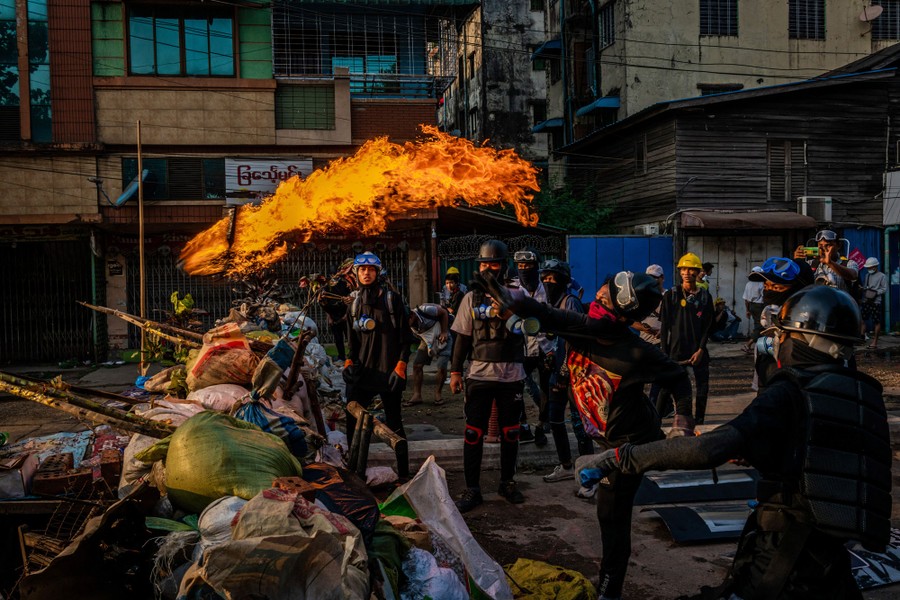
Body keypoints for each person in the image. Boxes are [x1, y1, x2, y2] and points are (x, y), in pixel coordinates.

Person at [584, 285, 891, 600]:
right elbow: (817, 457)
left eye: (781, 336)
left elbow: (706, 450)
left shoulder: (788, 393)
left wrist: (623, 456)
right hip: (833, 563)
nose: (776, 343)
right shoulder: (858, 396)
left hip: (784, 560)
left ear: (800, 341)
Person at [476, 269, 696, 600]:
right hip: (605, 438)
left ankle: (610, 589)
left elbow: (678, 376)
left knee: (612, 516)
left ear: (621, 314)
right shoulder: (583, 330)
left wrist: (683, 421)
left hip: (631, 443)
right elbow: (548, 314)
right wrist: (516, 303)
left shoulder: (636, 351)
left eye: (604, 300)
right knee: (606, 510)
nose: (595, 303)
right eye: (598, 296)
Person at [450, 239, 528, 512]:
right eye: (483, 263)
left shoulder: (518, 295)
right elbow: (461, 338)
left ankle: (507, 482)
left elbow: (529, 327)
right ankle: (472, 489)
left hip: (511, 375)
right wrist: (455, 371)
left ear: (503, 265)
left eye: (492, 263)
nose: (487, 269)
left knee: (510, 432)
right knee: (473, 433)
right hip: (479, 374)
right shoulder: (470, 298)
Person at [343, 251, 415, 480]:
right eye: (362, 270)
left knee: (395, 423)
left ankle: (403, 474)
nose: (366, 273)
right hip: (363, 374)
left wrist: (401, 366)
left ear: (377, 272)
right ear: (356, 274)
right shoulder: (353, 305)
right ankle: (353, 472)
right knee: (352, 422)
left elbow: (406, 338)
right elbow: (351, 341)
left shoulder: (392, 300)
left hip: (389, 372)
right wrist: (347, 362)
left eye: (371, 269)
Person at [538, 259, 595, 483]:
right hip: (558, 370)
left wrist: (563, 371)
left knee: (579, 421)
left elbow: (576, 341)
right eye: (545, 278)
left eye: (552, 278)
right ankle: (565, 465)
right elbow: (556, 338)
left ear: (563, 281)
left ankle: (589, 469)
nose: (547, 281)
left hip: (574, 373)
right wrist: (551, 356)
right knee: (555, 418)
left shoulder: (570, 302)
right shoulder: (553, 304)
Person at [659, 252, 714, 424]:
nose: (687, 272)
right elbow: (664, 327)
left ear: (698, 272)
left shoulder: (705, 297)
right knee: (666, 388)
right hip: (675, 350)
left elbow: (707, 327)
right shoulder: (672, 295)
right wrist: (664, 353)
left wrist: (701, 349)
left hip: (697, 350)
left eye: (691, 269)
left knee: (702, 387)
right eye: (683, 269)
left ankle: (699, 421)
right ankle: (655, 420)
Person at [749, 257, 815, 391]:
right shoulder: (766, 336)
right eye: (766, 286)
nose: (769, 292)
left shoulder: (813, 334)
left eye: (777, 287)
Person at [512, 246, 553, 447]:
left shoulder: (548, 287)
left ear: (536, 267)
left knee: (547, 387)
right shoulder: (513, 288)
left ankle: (543, 423)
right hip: (523, 347)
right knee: (517, 385)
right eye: (520, 265)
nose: (524, 269)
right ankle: (523, 424)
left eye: (528, 265)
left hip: (547, 346)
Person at [404, 302, 451, 407]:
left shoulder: (425, 310)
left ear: (412, 315)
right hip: (427, 340)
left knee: (441, 366)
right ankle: (417, 395)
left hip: (443, 335)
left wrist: (444, 332)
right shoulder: (406, 323)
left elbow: (443, 313)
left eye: (408, 320)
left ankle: (438, 394)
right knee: (417, 365)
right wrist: (429, 346)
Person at [793, 229, 858, 292]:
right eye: (820, 245)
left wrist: (830, 263)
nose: (823, 249)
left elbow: (853, 275)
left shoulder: (848, 263)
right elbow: (795, 280)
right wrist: (797, 262)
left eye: (828, 245)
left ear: (839, 245)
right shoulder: (810, 264)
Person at [318, 258, 354, 361]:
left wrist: (347, 315)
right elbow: (325, 303)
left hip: (345, 315)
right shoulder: (327, 287)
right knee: (338, 339)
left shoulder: (345, 285)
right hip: (334, 316)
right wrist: (329, 317)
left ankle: (352, 357)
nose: (333, 276)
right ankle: (341, 357)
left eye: (335, 273)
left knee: (350, 338)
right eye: (331, 274)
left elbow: (350, 300)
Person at [860, 256, 887, 349]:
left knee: (876, 321)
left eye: (870, 267)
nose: (868, 269)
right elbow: (865, 287)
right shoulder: (867, 276)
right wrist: (863, 289)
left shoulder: (882, 276)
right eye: (867, 268)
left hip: (876, 302)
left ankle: (875, 342)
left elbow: (884, 289)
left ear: (875, 266)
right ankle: (862, 337)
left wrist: (875, 293)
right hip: (866, 300)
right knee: (862, 319)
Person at [634, 264, 664, 346]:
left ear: (662, 278)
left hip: (663, 343)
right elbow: (631, 321)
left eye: (655, 277)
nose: (651, 280)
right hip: (645, 342)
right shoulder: (641, 297)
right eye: (648, 278)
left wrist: (664, 330)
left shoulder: (669, 296)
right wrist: (643, 328)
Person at [741, 265, 765, 354]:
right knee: (760, 326)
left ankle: (757, 346)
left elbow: (746, 299)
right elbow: (764, 297)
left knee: (757, 325)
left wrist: (747, 310)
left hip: (752, 306)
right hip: (759, 306)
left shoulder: (748, 284)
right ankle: (748, 344)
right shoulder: (761, 284)